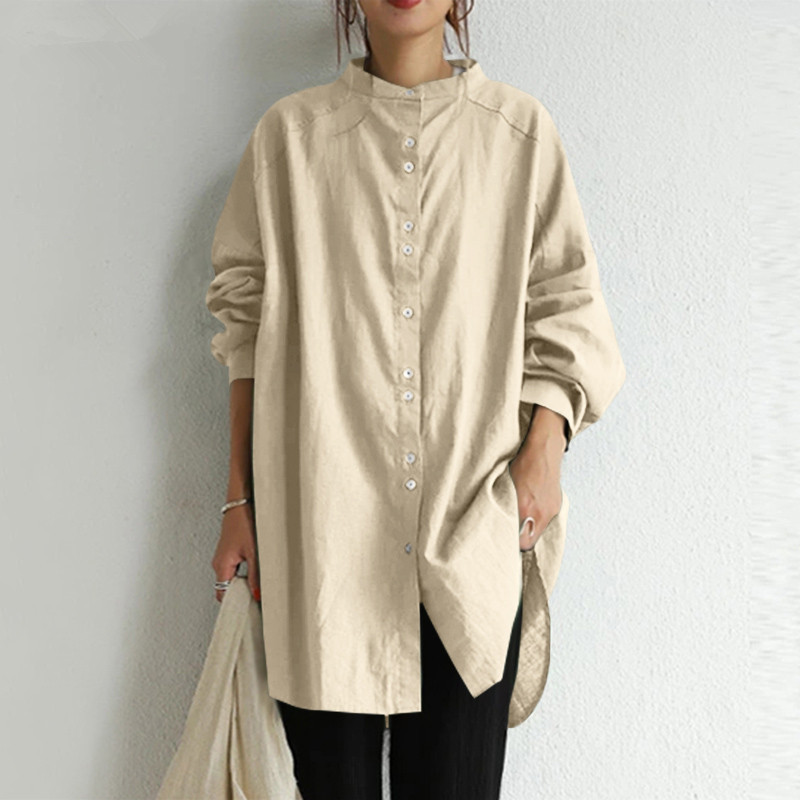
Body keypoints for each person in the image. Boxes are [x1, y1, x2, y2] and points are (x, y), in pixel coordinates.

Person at [205, 1, 625, 798]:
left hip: (471, 538)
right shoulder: (288, 142)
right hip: (322, 541)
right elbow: (245, 328)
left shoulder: (520, 137)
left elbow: (567, 306)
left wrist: (545, 449)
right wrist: (237, 500)